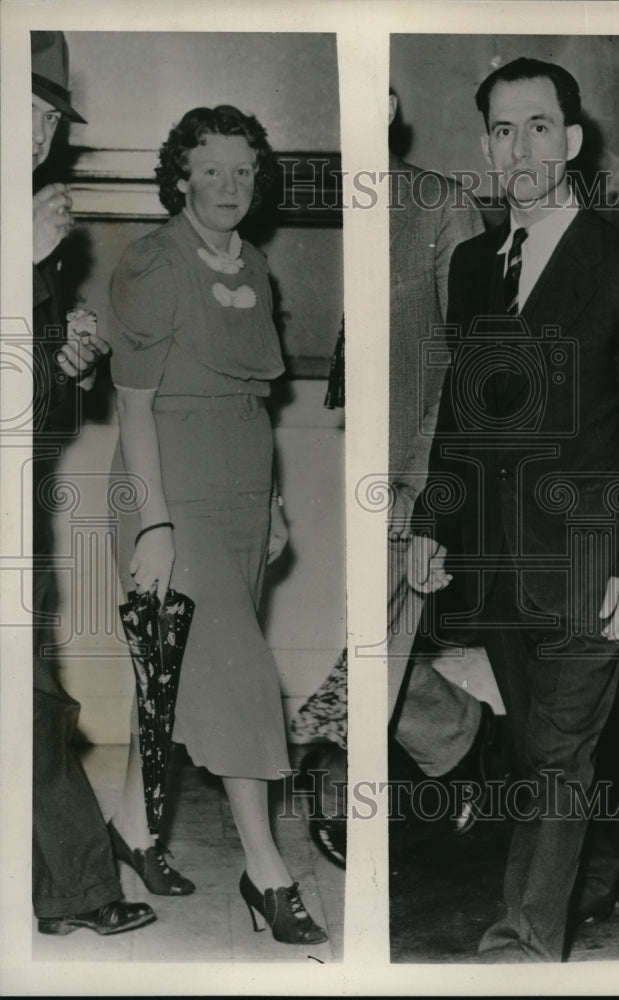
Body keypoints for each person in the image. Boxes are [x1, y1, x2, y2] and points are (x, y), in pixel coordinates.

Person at [409, 57, 619, 962]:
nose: (518, 146)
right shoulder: (471, 267)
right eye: (499, 129)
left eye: (536, 126)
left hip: (590, 556)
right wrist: (430, 522)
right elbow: (461, 413)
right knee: (537, 750)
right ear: (485, 147)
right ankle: (594, 865)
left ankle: (521, 943)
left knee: (561, 754)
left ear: (569, 142)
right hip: (495, 559)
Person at [107, 105, 327, 945]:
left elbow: (256, 397)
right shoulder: (152, 262)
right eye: (212, 169)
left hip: (241, 487)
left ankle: (132, 830)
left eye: (244, 170)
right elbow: (132, 411)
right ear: (180, 176)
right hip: (173, 490)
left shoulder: (258, 265)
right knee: (236, 670)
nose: (230, 185)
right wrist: (155, 526)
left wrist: (272, 501)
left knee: (172, 663)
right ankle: (266, 871)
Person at [31, 30, 156, 936]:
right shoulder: (29, 228)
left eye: (48, 120)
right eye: (21, 114)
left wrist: (67, 359)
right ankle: (77, 888)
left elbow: (32, 411)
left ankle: (72, 890)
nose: (39, 137)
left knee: (33, 701)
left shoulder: (37, 219)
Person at [386, 90, 493, 833]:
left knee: (374, 649)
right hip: (363, 466)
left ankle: (470, 753)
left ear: (393, 107)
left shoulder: (440, 205)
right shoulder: (352, 205)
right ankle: (467, 746)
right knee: (370, 648)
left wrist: (419, 482)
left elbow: (469, 361)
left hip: (415, 476)